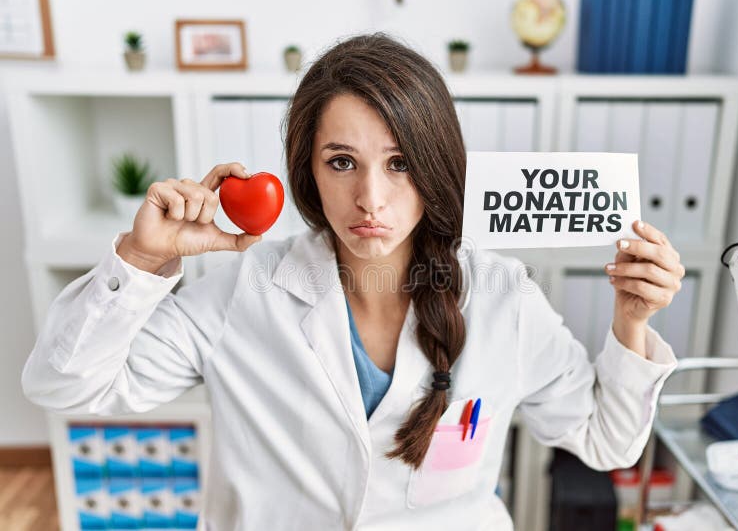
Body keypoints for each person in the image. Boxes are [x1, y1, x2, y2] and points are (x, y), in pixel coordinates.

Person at [21, 32, 683, 530]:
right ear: (307, 171)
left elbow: (606, 440)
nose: (370, 198)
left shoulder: (503, 296)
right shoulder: (243, 291)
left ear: (437, 165)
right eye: (342, 162)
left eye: (400, 164)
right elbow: (62, 383)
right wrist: (140, 262)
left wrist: (631, 321)